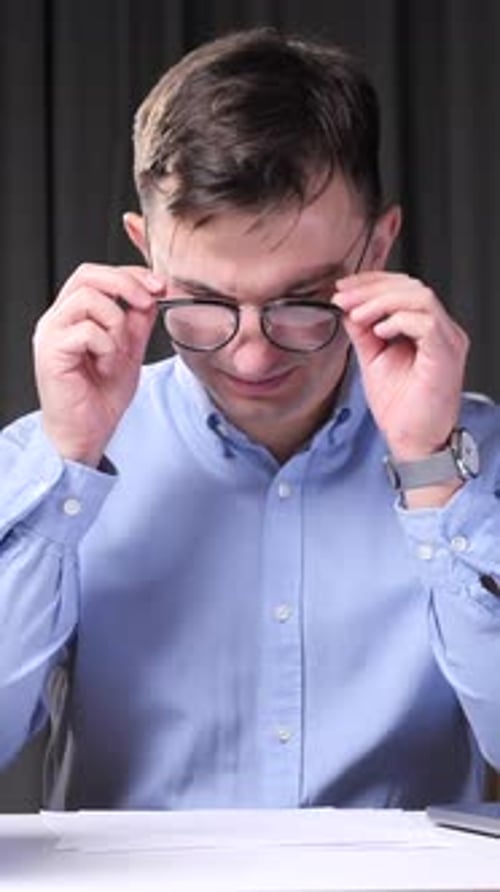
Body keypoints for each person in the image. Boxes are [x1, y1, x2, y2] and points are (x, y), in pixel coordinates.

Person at [1, 27, 500, 813]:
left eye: (302, 303)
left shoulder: (479, 461)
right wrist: (68, 467)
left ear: (377, 249)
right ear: (144, 250)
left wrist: (433, 475)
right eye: (203, 304)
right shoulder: (46, 464)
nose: (253, 357)